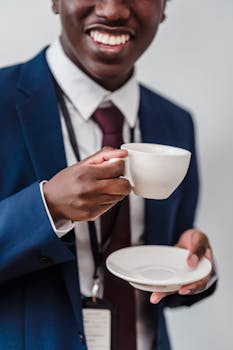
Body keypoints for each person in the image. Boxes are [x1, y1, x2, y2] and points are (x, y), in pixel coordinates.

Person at [0, 1, 217, 349]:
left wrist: (196, 270)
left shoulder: (176, 123)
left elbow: (168, 281)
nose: (113, 10)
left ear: (164, 6)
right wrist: (48, 207)